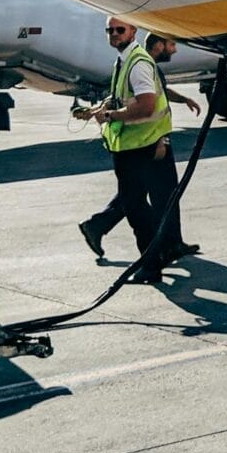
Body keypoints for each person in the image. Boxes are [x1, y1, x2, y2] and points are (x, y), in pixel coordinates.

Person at [74, 17, 178, 284]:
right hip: (134, 146)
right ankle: (156, 256)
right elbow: (125, 99)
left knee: (137, 207)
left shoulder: (138, 64)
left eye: (120, 30)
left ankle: (154, 262)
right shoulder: (124, 61)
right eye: (110, 30)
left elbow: (146, 106)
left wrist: (110, 116)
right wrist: (97, 111)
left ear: (134, 31)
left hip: (141, 146)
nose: (114, 34)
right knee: (137, 205)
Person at [144, 32, 202, 260]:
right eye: (171, 45)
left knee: (156, 193)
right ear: (158, 45)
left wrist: (184, 99)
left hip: (149, 140)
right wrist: (161, 140)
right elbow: (150, 105)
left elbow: (161, 91)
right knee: (163, 194)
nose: (175, 50)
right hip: (154, 140)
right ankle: (166, 246)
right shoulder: (146, 67)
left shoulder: (147, 66)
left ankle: (170, 243)